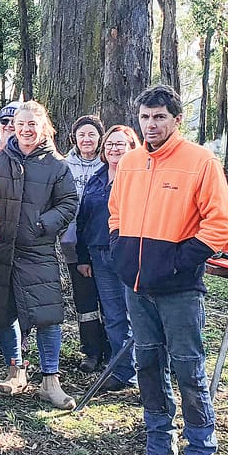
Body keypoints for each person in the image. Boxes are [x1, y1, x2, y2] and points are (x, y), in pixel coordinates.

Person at [110, 85, 228, 455]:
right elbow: (116, 214)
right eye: (145, 117)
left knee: (190, 373)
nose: (151, 124)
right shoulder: (129, 161)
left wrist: (179, 262)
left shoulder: (200, 161)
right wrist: (119, 252)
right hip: (137, 288)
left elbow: (220, 225)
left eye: (160, 116)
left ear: (176, 119)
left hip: (179, 290)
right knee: (147, 367)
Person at [0, 100, 79, 410]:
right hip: (1, 251)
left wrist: (41, 224)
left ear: (43, 128)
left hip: (38, 251)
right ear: (12, 127)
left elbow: (68, 204)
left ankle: (51, 381)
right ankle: (16, 372)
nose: (25, 129)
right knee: (3, 313)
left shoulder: (57, 167)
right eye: (19, 124)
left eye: (32, 124)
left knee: (48, 317)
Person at [75, 125, 140, 392]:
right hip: (100, 256)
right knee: (114, 317)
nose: (114, 149)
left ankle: (146, 372)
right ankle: (121, 371)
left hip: (131, 256)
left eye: (120, 144)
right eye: (110, 144)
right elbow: (83, 221)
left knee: (139, 316)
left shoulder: (139, 178)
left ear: (132, 148)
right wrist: (83, 256)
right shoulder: (97, 179)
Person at [60, 116, 110, 373]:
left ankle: (111, 349)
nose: (87, 139)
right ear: (74, 138)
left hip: (102, 241)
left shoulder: (109, 164)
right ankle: (90, 350)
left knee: (109, 299)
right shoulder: (63, 165)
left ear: (100, 138)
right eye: (82, 135)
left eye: (92, 134)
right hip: (72, 243)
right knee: (85, 299)